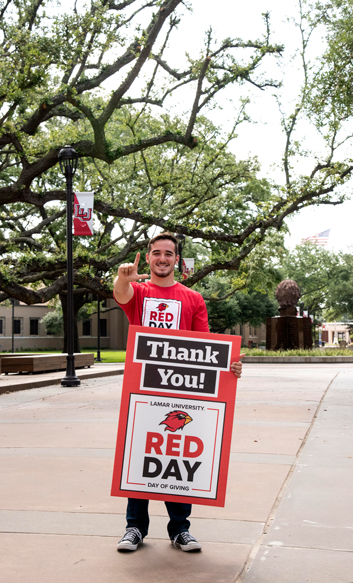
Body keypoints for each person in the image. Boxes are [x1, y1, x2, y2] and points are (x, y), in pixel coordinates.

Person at [113, 232, 243, 553]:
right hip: (143, 388)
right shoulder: (139, 291)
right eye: (156, 253)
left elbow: (205, 345)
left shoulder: (193, 298)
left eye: (168, 253)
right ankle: (134, 528)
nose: (162, 258)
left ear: (177, 260)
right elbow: (121, 294)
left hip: (181, 390)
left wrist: (229, 366)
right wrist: (122, 278)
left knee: (178, 454)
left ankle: (180, 529)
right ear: (148, 257)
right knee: (140, 456)